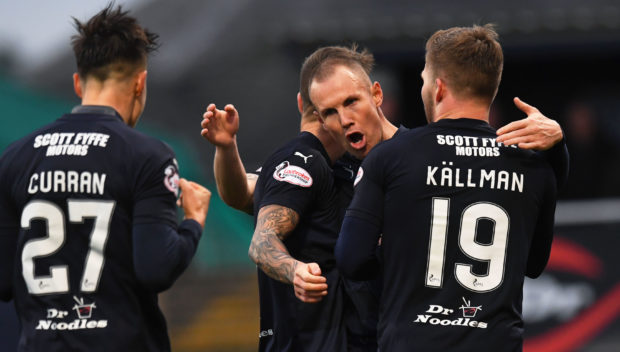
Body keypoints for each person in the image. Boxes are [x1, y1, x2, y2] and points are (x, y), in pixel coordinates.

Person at [0, 5, 211, 351]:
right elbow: (157, 269)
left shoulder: (15, 157)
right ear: (140, 83)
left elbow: (3, 282)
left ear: (77, 83)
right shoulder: (148, 156)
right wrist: (194, 221)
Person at [335, 24, 559, 351]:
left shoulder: (390, 157)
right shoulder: (535, 167)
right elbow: (535, 265)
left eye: (424, 80)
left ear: (438, 88)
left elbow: (351, 258)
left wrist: (397, 251)